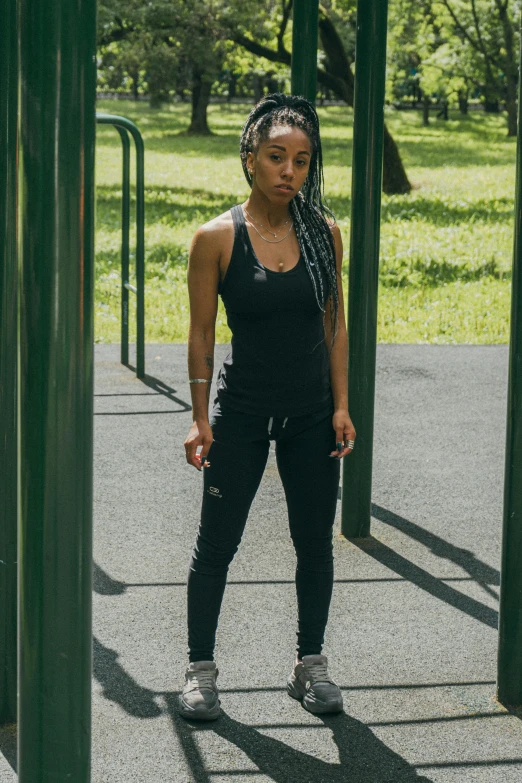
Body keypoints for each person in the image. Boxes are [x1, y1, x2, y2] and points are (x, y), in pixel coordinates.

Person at [180, 93, 356, 721]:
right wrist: (200, 417)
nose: (290, 171)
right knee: (216, 545)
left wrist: (341, 405)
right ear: (250, 159)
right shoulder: (217, 238)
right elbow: (201, 336)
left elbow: (335, 324)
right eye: (277, 157)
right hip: (244, 413)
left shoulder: (323, 234)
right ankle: (200, 669)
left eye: (302, 161)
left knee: (314, 542)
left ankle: (310, 664)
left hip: (312, 414)